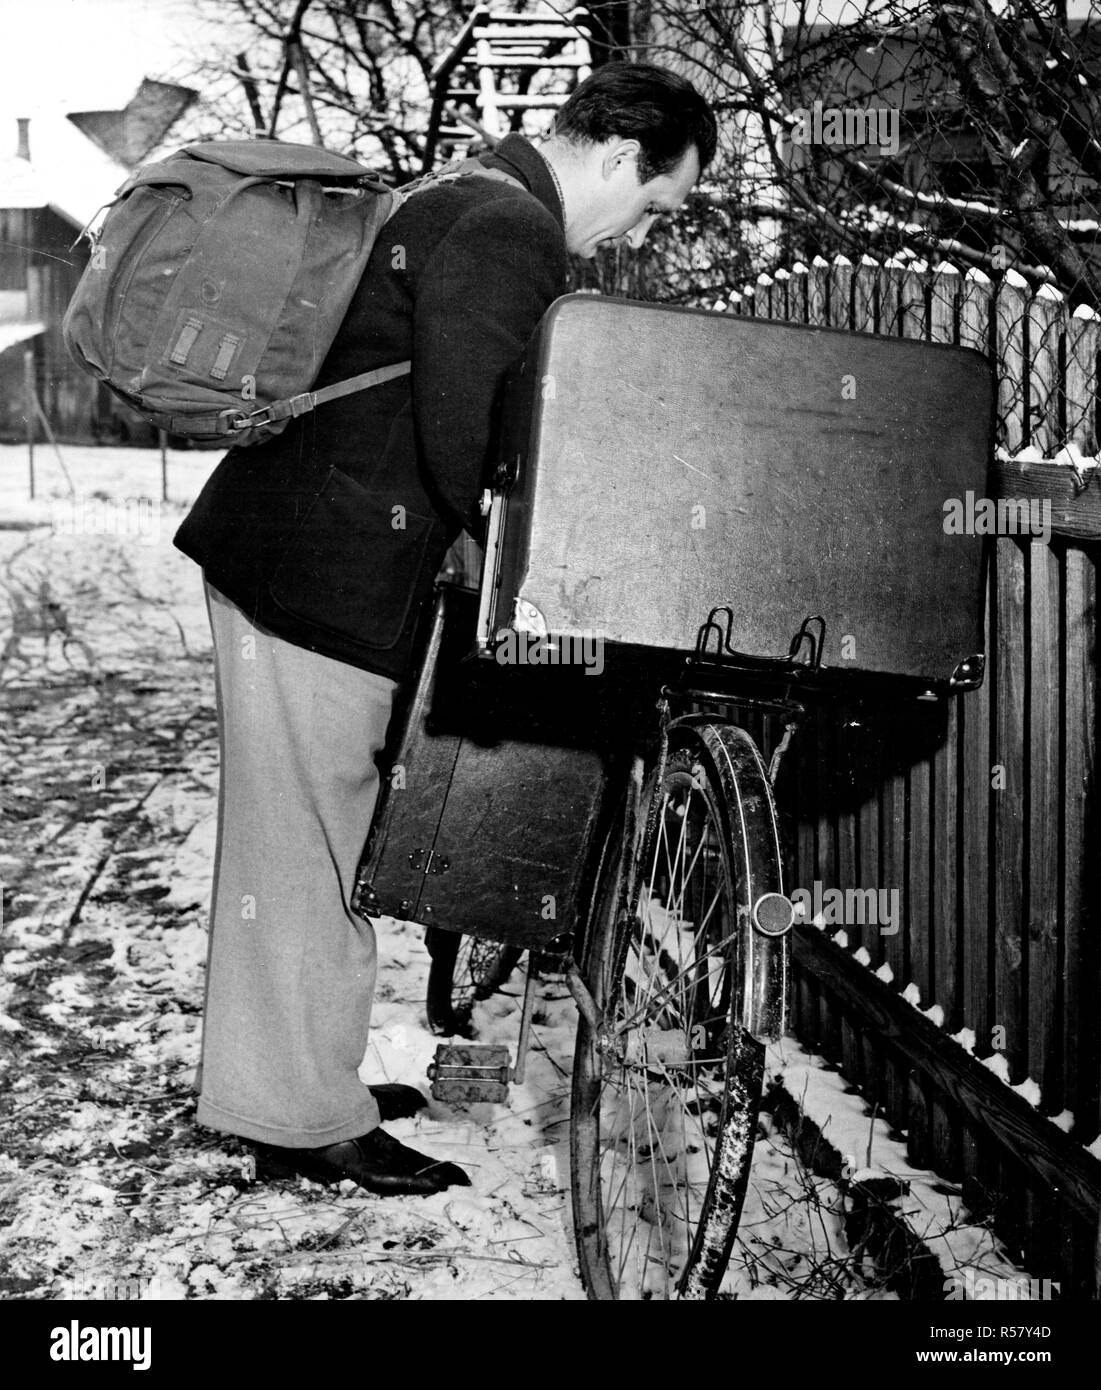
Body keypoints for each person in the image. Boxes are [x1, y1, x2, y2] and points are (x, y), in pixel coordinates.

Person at [173, 62, 717, 1196]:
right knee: (306, 845)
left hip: (306, 561)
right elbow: (472, 441)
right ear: (621, 155)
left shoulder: (467, 191)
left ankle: (306, 1084)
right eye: (654, 204)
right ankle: (301, 1117)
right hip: (314, 577)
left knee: (317, 835)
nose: (632, 234)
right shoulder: (509, 226)